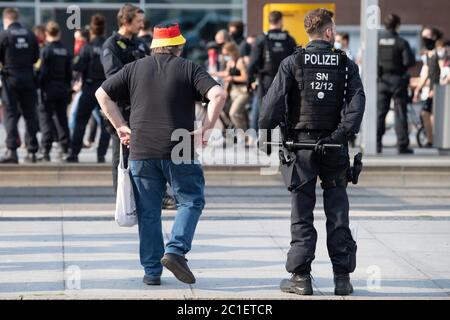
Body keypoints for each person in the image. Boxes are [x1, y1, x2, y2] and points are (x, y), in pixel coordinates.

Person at [95, 23, 226, 286]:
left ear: (154, 46)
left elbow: (101, 94)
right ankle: (176, 250)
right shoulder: (188, 67)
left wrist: (121, 126)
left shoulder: (133, 68)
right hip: (179, 146)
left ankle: (152, 271)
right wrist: (206, 130)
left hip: (141, 147)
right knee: (190, 200)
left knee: (148, 211)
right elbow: (218, 94)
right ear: (178, 46)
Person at [259, 8, 365, 296]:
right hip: (334, 147)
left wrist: (265, 138)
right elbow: (357, 104)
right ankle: (342, 278)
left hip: (300, 147)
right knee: (338, 211)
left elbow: (271, 105)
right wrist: (340, 134)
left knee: (302, 213)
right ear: (328, 32)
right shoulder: (345, 63)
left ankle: (301, 278)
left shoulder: (292, 61)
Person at [101, 4, 149, 190]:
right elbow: (113, 76)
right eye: (138, 21)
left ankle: (149, 193)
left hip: (141, 107)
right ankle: (122, 195)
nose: (141, 25)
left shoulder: (141, 43)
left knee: (145, 153)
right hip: (121, 108)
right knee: (122, 154)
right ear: (126, 21)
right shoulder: (111, 45)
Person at [66, 14, 111, 163]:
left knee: (81, 121)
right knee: (106, 124)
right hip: (105, 89)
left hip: (89, 87)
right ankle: (101, 155)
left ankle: (74, 154)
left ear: (91, 30)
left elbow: (77, 66)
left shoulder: (87, 47)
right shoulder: (108, 46)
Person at [0, 8, 40, 164]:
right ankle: (32, 152)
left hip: (10, 78)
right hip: (28, 77)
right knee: (30, 114)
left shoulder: (4, 35)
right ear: (17, 18)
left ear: (6, 20)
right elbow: (36, 57)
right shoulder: (30, 35)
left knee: (10, 114)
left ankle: (12, 151)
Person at [247, 11, 296, 134]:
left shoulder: (262, 39)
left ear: (269, 21)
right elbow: (295, 61)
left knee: (264, 108)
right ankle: (287, 136)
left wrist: (250, 81)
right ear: (280, 21)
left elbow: (252, 63)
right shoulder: (289, 39)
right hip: (286, 79)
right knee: (287, 107)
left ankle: (263, 139)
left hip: (266, 79)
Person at [377, 14, 416, 154]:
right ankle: (402, 145)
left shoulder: (377, 41)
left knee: (380, 113)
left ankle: (376, 143)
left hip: (382, 81)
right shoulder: (401, 42)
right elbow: (409, 62)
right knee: (400, 113)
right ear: (397, 25)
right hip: (398, 81)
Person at [36, 21, 72, 162]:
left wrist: (39, 84)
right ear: (59, 33)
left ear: (46, 33)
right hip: (62, 88)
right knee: (62, 119)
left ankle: (45, 150)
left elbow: (42, 72)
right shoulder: (65, 50)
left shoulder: (46, 50)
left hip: (48, 89)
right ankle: (65, 148)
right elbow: (70, 72)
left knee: (45, 119)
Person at [211, 42, 249, 145]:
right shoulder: (230, 62)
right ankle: (237, 134)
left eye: (226, 54)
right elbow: (226, 73)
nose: (225, 56)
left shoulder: (240, 62)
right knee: (224, 112)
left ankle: (244, 136)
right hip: (233, 92)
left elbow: (245, 77)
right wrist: (212, 73)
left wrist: (232, 78)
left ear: (232, 52)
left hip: (242, 91)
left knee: (234, 113)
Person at [413, 27, 443, 147]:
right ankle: (431, 140)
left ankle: (435, 140)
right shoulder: (427, 54)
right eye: (423, 36)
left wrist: (438, 89)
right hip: (432, 89)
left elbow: (444, 70)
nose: (425, 39)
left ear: (434, 37)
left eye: (427, 36)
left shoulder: (439, 52)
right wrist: (418, 88)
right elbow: (425, 73)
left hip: (439, 89)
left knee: (431, 114)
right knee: (426, 113)